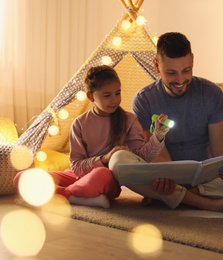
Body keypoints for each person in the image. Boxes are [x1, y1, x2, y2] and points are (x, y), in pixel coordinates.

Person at [130, 32, 223, 213]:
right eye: (171, 73)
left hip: (208, 178)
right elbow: (160, 158)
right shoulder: (144, 100)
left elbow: (218, 151)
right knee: (127, 173)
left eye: (186, 70)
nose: (180, 80)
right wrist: (164, 179)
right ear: (156, 65)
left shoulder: (211, 94)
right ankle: (197, 199)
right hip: (168, 176)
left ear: (192, 60)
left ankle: (184, 197)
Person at [14, 65, 170, 209]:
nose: (115, 100)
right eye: (107, 95)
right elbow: (76, 167)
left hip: (106, 181)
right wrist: (104, 158)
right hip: (78, 177)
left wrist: (158, 137)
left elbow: (143, 157)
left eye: (117, 93)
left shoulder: (129, 120)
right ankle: (75, 196)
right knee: (22, 177)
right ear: (90, 96)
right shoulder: (80, 123)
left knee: (101, 174)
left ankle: (66, 194)